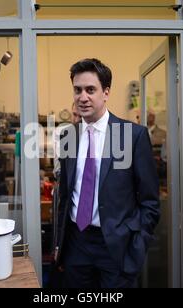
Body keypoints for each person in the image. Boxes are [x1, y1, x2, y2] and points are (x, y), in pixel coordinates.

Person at [55, 58, 160, 288]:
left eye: (90, 90)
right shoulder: (67, 136)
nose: (83, 97)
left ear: (106, 92)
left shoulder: (133, 136)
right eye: (77, 90)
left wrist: (137, 244)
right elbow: (64, 195)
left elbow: (150, 202)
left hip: (117, 246)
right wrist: (60, 245)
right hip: (76, 244)